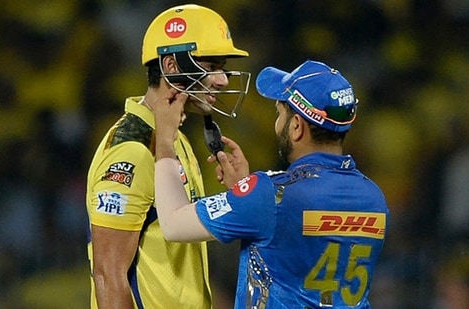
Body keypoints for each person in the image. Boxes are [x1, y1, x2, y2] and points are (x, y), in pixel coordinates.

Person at [153, 60, 390, 308]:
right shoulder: (374, 197)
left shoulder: (271, 195)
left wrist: (165, 140)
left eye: (280, 114)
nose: (277, 124)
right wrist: (244, 191)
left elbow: (172, 224)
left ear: (297, 126)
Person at [85, 4, 250, 309]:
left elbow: (175, 244)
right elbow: (108, 275)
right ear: (172, 66)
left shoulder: (175, 141)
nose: (223, 79)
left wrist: (237, 197)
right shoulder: (132, 150)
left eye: (222, 67)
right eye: (211, 66)